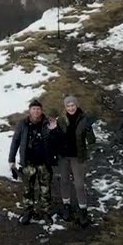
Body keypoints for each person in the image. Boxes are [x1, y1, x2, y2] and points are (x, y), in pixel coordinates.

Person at [50, 94, 96, 227]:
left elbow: (92, 141)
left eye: (73, 105)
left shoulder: (84, 119)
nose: (71, 108)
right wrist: (52, 131)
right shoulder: (61, 120)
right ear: (65, 107)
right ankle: (66, 206)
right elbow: (55, 139)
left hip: (78, 157)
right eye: (68, 106)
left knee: (79, 184)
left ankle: (83, 210)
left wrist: (88, 129)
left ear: (77, 105)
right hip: (63, 157)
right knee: (64, 181)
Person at [8, 98, 55, 225]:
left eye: (38, 109)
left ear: (41, 110)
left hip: (44, 162)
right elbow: (15, 141)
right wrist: (11, 159)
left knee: (45, 189)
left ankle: (46, 212)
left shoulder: (48, 123)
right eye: (33, 109)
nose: (36, 111)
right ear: (30, 110)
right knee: (27, 189)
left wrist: (54, 130)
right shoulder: (22, 124)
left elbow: (55, 140)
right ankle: (28, 211)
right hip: (28, 162)